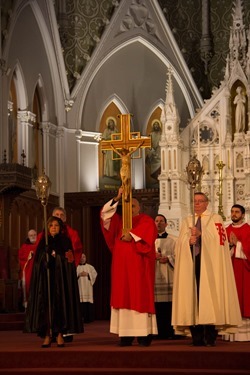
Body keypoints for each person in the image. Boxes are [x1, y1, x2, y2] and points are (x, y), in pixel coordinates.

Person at [172, 192, 242, 347]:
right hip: (192, 263)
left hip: (209, 266)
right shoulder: (187, 220)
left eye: (200, 201)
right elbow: (179, 244)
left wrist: (201, 234)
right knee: (192, 298)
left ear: (206, 203)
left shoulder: (215, 219)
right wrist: (188, 241)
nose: (196, 204)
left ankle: (210, 337)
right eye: (194, 201)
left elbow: (220, 242)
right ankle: (196, 337)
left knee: (210, 299)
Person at [100, 187, 158, 346]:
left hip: (139, 268)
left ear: (139, 207)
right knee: (123, 297)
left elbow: (148, 237)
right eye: (127, 205)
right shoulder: (118, 221)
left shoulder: (146, 220)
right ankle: (125, 336)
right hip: (121, 269)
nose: (130, 208)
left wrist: (131, 235)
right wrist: (117, 198)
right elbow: (104, 215)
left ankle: (144, 335)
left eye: (132, 206)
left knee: (139, 297)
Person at [25, 216, 83, 347]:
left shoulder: (65, 241)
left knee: (59, 305)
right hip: (46, 281)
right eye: (51, 226)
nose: (53, 228)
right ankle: (47, 334)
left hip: (60, 281)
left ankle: (59, 334)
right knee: (46, 307)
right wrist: (44, 258)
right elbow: (37, 263)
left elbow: (69, 260)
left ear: (60, 227)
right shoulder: (43, 241)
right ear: (47, 227)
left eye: (56, 225)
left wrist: (56, 257)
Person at [225, 204, 250, 341]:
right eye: (232, 211)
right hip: (230, 269)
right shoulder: (226, 230)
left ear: (243, 214)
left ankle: (244, 334)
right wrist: (230, 245)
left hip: (244, 271)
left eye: (237, 212)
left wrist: (237, 244)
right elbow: (220, 250)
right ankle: (229, 332)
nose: (234, 214)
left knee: (243, 297)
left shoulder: (248, 230)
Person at [154, 214, 176, 339]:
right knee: (156, 306)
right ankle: (156, 332)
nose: (159, 223)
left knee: (168, 306)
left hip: (169, 277)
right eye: (156, 221)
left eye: (161, 221)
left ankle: (169, 332)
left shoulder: (173, 240)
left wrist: (168, 259)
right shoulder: (148, 240)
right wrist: (153, 257)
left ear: (166, 224)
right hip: (154, 276)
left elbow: (180, 257)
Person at [18, 229, 37, 309]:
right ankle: (28, 304)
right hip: (28, 270)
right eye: (31, 235)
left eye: (34, 235)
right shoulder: (24, 247)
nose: (33, 237)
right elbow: (21, 257)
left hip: (38, 270)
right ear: (28, 237)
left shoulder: (40, 245)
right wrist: (29, 255)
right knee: (28, 282)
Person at [77, 253, 98, 323]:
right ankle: (80, 319)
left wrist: (88, 274)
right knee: (80, 303)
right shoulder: (76, 267)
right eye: (81, 257)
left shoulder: (90, 267)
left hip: (87, 288)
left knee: (88, 303)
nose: (82, 258)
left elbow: (95, 274)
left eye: (84, 257)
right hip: (79, 288)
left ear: (86, 258)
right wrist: (79, 275)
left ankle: (89, 319)